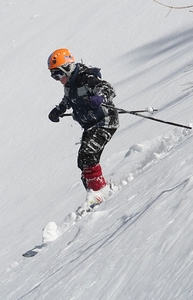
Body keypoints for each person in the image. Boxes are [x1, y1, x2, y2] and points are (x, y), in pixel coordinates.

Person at [47, 48, 119, 212]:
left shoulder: (86, 78)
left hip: (105, 121)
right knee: (83, 160)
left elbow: (108, 88)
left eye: (58, 74)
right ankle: (96, 190)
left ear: (67, 68)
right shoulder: (70, 84)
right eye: (53, 76)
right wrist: (59, 110)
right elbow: (68, 99)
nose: (57, 79)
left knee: (88, 154)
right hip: (91, 125)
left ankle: (99, 192)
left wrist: (99, 97)